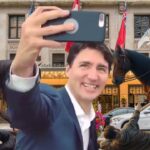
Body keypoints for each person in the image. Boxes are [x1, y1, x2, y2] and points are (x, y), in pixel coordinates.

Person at [3, 6, 113, 150]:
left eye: (101, 68)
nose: (93, 76)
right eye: (84, 65)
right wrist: (23, 66)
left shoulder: (91, 120)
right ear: (68, 70)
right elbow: (25, 111)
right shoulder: (50, 103)